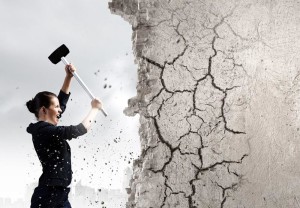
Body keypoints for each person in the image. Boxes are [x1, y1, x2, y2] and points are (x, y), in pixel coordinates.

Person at [26, 64, 102, 208]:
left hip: (58, 194)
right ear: (43, 110)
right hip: (49, 196)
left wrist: (68, 78)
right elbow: (79, 129)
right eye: (56, 107)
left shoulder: (46, 128)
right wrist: (94, 109)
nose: (60, 110)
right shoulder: (44, 130)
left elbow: (61, 104)